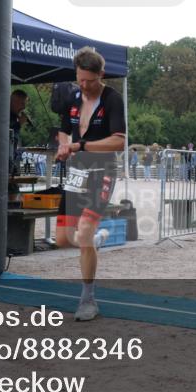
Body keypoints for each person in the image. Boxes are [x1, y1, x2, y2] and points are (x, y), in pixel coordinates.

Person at [54, 47, 126, 322]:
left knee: (82, 233)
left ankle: (88, 300)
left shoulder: (112, 99)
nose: (84, 86)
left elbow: (119, 141)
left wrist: (81, 144)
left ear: (101, 75)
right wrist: (64, 145)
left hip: (102, 171)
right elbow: (63, 129)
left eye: (90, 81)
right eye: (80, 79)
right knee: (63, 239)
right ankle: (93, 240)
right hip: (76, 172)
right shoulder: (72, 96)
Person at [9, 89, 30, 175]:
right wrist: (19, 124)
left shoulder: (14, 116)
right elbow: (6, 131)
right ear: (14, 101)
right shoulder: (4, 113)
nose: (24, 107)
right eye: (22, 104)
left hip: (12, 158)